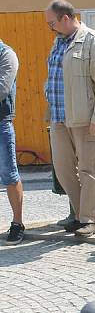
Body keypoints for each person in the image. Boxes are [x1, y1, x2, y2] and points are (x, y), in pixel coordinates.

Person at [45, 0, 95, 238]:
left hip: (85, 119)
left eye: (52, 22)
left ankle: (89, 219)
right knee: (63, 170)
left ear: (65, 17)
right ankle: (78, 213)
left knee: (87, 169)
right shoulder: (58, 41)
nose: (50, 27)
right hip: (59, 118)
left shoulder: (92, 40)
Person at [0, 39, 24, 243]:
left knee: (9, 173)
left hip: (1, 123)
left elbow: (3, 88)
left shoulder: (7, 54)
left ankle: (17, 224)